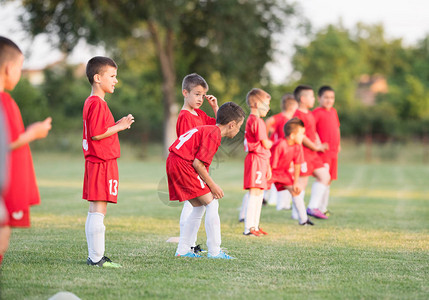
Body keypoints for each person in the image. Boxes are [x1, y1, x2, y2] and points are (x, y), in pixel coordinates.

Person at [167, 102, 245, 259]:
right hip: (183, 164)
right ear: (231, 125)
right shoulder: (213, 134)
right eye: (239, 126)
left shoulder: (209, 130)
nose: (238, 131)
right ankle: (215, 251)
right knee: (212, 203)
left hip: (174, 161)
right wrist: (213, 185)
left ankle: (183, 250)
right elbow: (198, 164)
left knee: (199, 207)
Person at [0, 36, 52, 266]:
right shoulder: (4, 101)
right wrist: (34, 133)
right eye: (20, 67)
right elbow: (7, 141)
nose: (20, 73)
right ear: (9, 68)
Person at [82, 56, 134, 268]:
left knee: (96, 208)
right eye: (112, 76)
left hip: (99, 162)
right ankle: (96, 258)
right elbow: (96, 134)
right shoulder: (96, 103)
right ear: (97, 78)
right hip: (101, 162)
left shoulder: (93, 102)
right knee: (99, 209)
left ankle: (95, 256)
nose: (116, 80)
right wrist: (120, 126)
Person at [175, 73, 218, 253]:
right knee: (204, 204)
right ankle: (205, 248)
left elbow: (218, 127)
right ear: (185, 92)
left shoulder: (199, 113)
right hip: (190, 166)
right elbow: (188, 146)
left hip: (197, 166)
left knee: (197, 206)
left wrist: (215, 107)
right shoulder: (185, 117)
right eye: (197, 94)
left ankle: (187, 247)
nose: (200, 98)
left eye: (203, 95)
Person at [293, 85, 330, 219]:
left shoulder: (310, 113)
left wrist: (319, 143)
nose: (314, 99)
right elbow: (301, 136)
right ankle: (297, 212)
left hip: (313, 154)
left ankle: (312, 207)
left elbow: (313, 131)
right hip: (303, 154)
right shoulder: (298, 115)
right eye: (311, 96)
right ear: (303, 98)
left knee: (325, 177)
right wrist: (315, 147)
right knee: (302, 183)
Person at [269, 118, 313, 225]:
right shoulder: (280, 144)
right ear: (292, 135)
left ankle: (304, 220)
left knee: (296, 191)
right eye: (301, 134)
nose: (303, 136)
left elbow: (297, 164)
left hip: (283, 173)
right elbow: (271, 163)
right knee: (257, 191)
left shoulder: (297, 147)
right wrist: (267, 178)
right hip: (271, 171)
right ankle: (244, 216)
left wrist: (296, 182)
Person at [242, 88, 272, 236]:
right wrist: (273, 143)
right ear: (255, 103)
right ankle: (249, 227)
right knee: (255, 192)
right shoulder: (257, 121)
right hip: (256, 159)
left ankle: (255, 225)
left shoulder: (254, 120)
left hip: (260, 159)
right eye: (266, 103)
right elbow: (265, 144)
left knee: (260, 192)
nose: (269, 107)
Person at [265, 93, 298, 209]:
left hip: (286, 151)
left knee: (284, 177)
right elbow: (268, 121)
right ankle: (277, 201)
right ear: (292, 105)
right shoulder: (282, 118)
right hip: (281, 152)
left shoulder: (291, 119)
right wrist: (265, 138)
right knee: (280, 176)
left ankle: (282, 203)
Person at [312, 86, 340, 215]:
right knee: (323, 178)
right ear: (319, 98)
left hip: (333, 152)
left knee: (329, 181)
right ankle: (315, 206)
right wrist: (318, 144)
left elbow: (337, 128)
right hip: (323, 153)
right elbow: (311, 129)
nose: (329, 100)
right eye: (326, 97)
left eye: (332, 97)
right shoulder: (317, 112)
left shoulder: (333, 111)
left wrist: (338, 144)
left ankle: (323, 208)